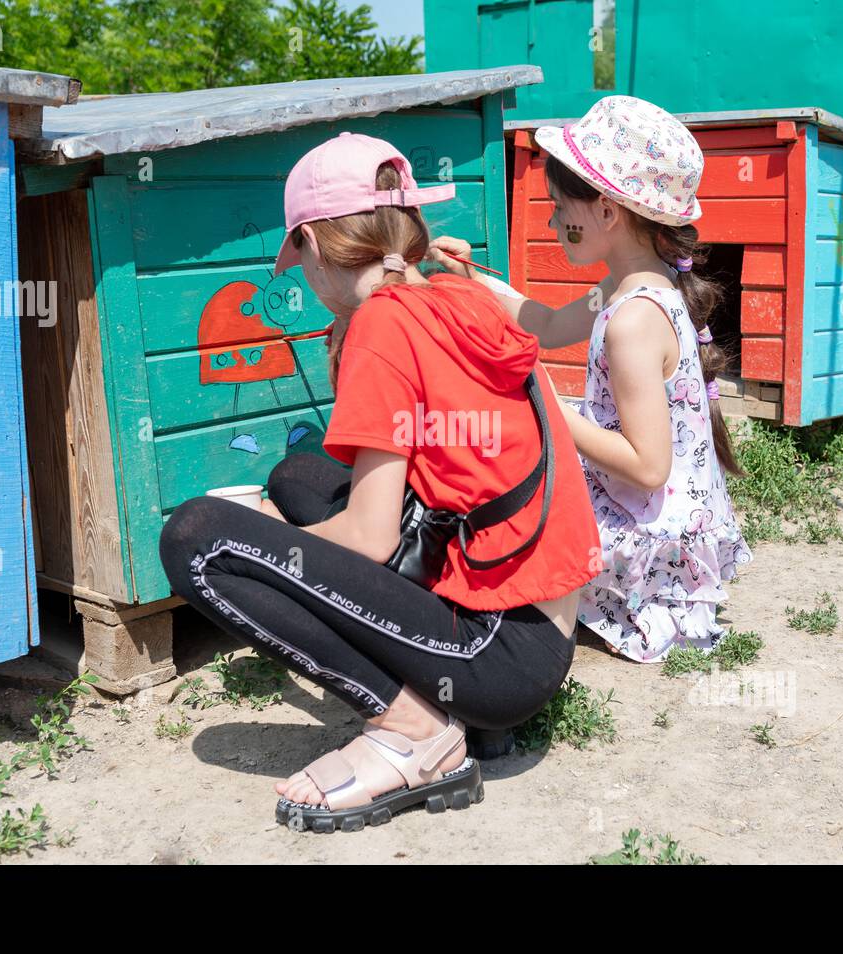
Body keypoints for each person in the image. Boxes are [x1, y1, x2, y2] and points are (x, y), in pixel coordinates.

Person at [159, 132, 601, 832]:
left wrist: (269, 539)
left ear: (309, 240)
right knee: (299, 475)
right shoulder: (458, 292)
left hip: (494, 654)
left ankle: (414, 732)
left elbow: (369, 536)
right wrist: (287, 516)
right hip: (543, 632)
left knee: (199, 539)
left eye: (298, 261)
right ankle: (467, 716)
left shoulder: (382, 327)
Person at [431, 96, 751, 663]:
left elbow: (649, 468)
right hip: (648, 511)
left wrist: (551, 408)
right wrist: (468, 279)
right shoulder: (634, 285)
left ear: (606, 210)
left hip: (642, 534)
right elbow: (549, 325)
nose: (554, 221)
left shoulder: (633, 319)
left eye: (559, 207)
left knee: (504, 519)